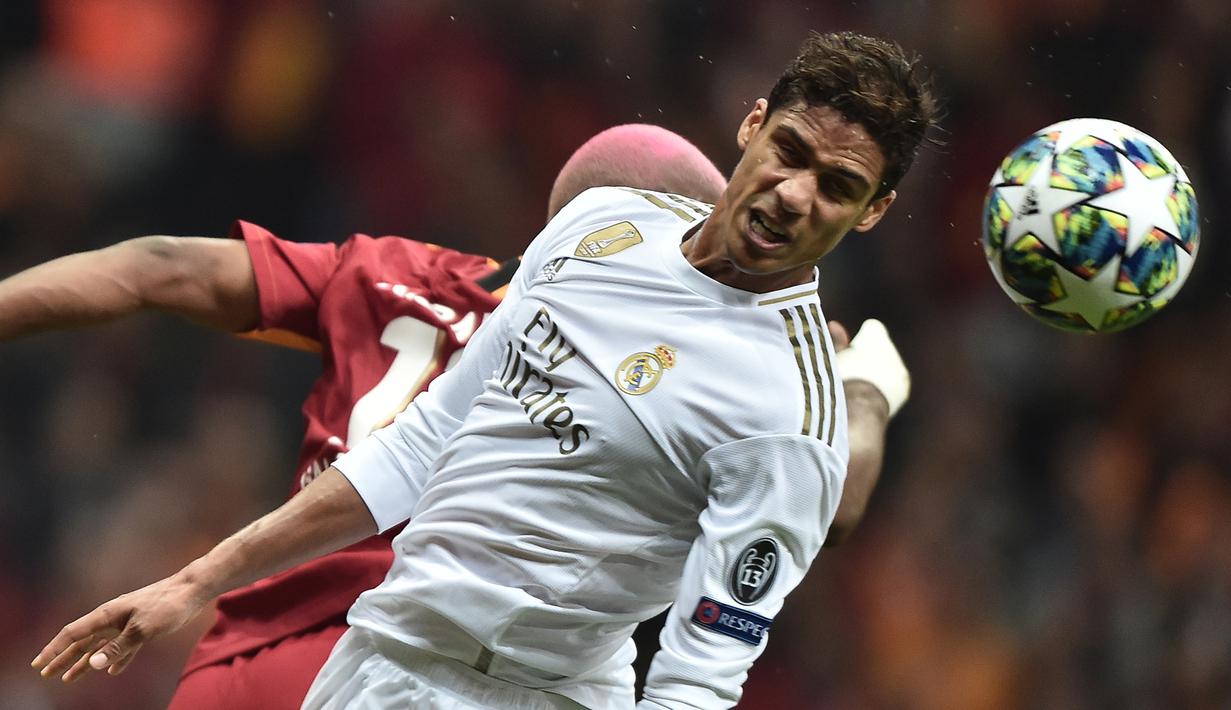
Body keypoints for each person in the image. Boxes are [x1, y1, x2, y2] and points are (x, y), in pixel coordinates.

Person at [33, 29, 932, 708]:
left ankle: (874, 397)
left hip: (533, 693)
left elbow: (701, 675)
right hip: (376, 658)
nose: (796, 193)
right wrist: (194, 581)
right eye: (790, 153)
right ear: (752, 125)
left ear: (873, 211)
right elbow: (420, 444)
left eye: (839, 186)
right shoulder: (602, 223)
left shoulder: (787, 406)